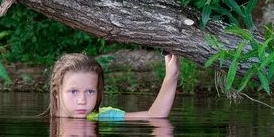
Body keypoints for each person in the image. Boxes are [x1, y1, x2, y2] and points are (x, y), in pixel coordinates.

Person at [43, 52, 180, 120]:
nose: (82, 101)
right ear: (56, 92)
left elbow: (154, 115)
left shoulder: (101, 116)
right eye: (73, 92)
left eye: (90, 92)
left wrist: (171, 75)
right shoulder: (45, 124)